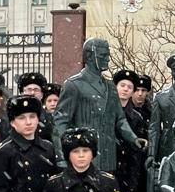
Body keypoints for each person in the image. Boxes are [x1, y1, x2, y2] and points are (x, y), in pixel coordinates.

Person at [54, 38, 146, 172]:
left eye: (108, 55)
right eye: (103, 55)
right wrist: (62, 156)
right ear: (89, 56)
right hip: (82, 157)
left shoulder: (110, 87)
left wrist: (133, 139)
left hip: (108, 157)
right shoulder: (74, 85)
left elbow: (120, 119)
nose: (107, 59)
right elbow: (60, 122)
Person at [112, 68, 146, 192]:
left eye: (129, 87)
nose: (125, 89)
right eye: (122, 85)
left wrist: (132, 178)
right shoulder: (105, 114)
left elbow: (137, 151)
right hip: (108, 167)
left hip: (125, 172)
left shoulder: (136, 118)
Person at [18, 72, 54, 142]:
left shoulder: (49, 118)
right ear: (22, 93)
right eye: (29, 90)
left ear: (42, 94)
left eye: (36, 90)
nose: (32, 93)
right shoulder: (14, 115)